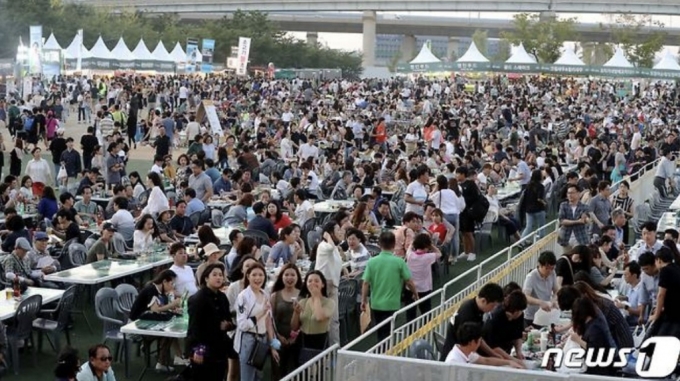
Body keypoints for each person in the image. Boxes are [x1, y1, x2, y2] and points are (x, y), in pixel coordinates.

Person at [362, 231, 418, 341]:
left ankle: (381, 352)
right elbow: (409, 281)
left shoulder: (372, 262)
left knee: (380, 331)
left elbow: (365, 283)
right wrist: (415, 294)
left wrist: (364, 300)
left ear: (379, 244)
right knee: (388, 332)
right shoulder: (399, 262)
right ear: (394, 244)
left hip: (376, 303)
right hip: (392, 304)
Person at [187, 263, 235, 381]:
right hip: (204, 348)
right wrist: (198, 349)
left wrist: (228, 325)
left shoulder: (222, 297)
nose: (219, 277)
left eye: (220, 275)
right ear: (206, 278)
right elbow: (194, 327)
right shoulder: (198, 299)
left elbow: (228, 319)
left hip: (220, 347)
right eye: (214, 275)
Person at [129, 269, 185, 371]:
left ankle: (162, 361)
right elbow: (155, 309)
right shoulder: (152, 290)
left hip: (148, 321)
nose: (173, 287)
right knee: (167, 333)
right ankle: (161, 361)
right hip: (135, 326)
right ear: (164, 282)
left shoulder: (160, 291)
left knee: (170, 332)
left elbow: (161, 307)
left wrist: (172, 308)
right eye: (171, 283)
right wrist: (172, 305)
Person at [234, 262, 279, 381]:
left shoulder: (265, 294)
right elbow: (243, 325)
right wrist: (260, 313)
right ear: (248, 276)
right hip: (248, 339)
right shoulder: (243, 297)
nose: (257, 278)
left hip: (263, 339)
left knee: (258, 376)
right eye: (254, 275)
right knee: (247, 377)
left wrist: (272, 344)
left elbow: (268, 321)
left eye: (261, 275)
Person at [440, 283, 504, 361]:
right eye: (492, 306)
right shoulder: (467, 314)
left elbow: (478, 337)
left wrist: (493, 354)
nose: (493, 309)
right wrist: (493, 354)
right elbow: (474, 340)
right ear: (483, 301)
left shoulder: (477, 309)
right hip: (456, 358)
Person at [291, 270, 335, 366]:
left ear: (322, 284)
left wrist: (316, 297)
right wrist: (296, 312)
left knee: (318, 372)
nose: (313, 283)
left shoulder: (329, 303)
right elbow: (294, 327)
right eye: (310, 281)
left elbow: (319, 317)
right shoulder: (303, 302)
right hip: (303, 340)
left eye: (316, 281)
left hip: (319, 340)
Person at [569, 297, 618, 376]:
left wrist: (577, 339)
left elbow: (593, 349)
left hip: (601, 368)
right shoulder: (591, 323)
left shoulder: (595, 328)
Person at [445, 322, 523, 368]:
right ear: (472, 342)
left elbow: (486, 360)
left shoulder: (468, 353)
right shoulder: (454, 361)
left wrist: (509, 362)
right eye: (479, 341)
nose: (480, 344)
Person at [482, 290, 528, 358]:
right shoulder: (496, 318)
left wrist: (518, 352)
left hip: (506, 351)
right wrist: (512, 360)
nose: (521, 313)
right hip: (489, 354)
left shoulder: (519, 315)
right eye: (519, 311)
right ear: (514, 310)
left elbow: (517, 335)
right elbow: (494, 346)